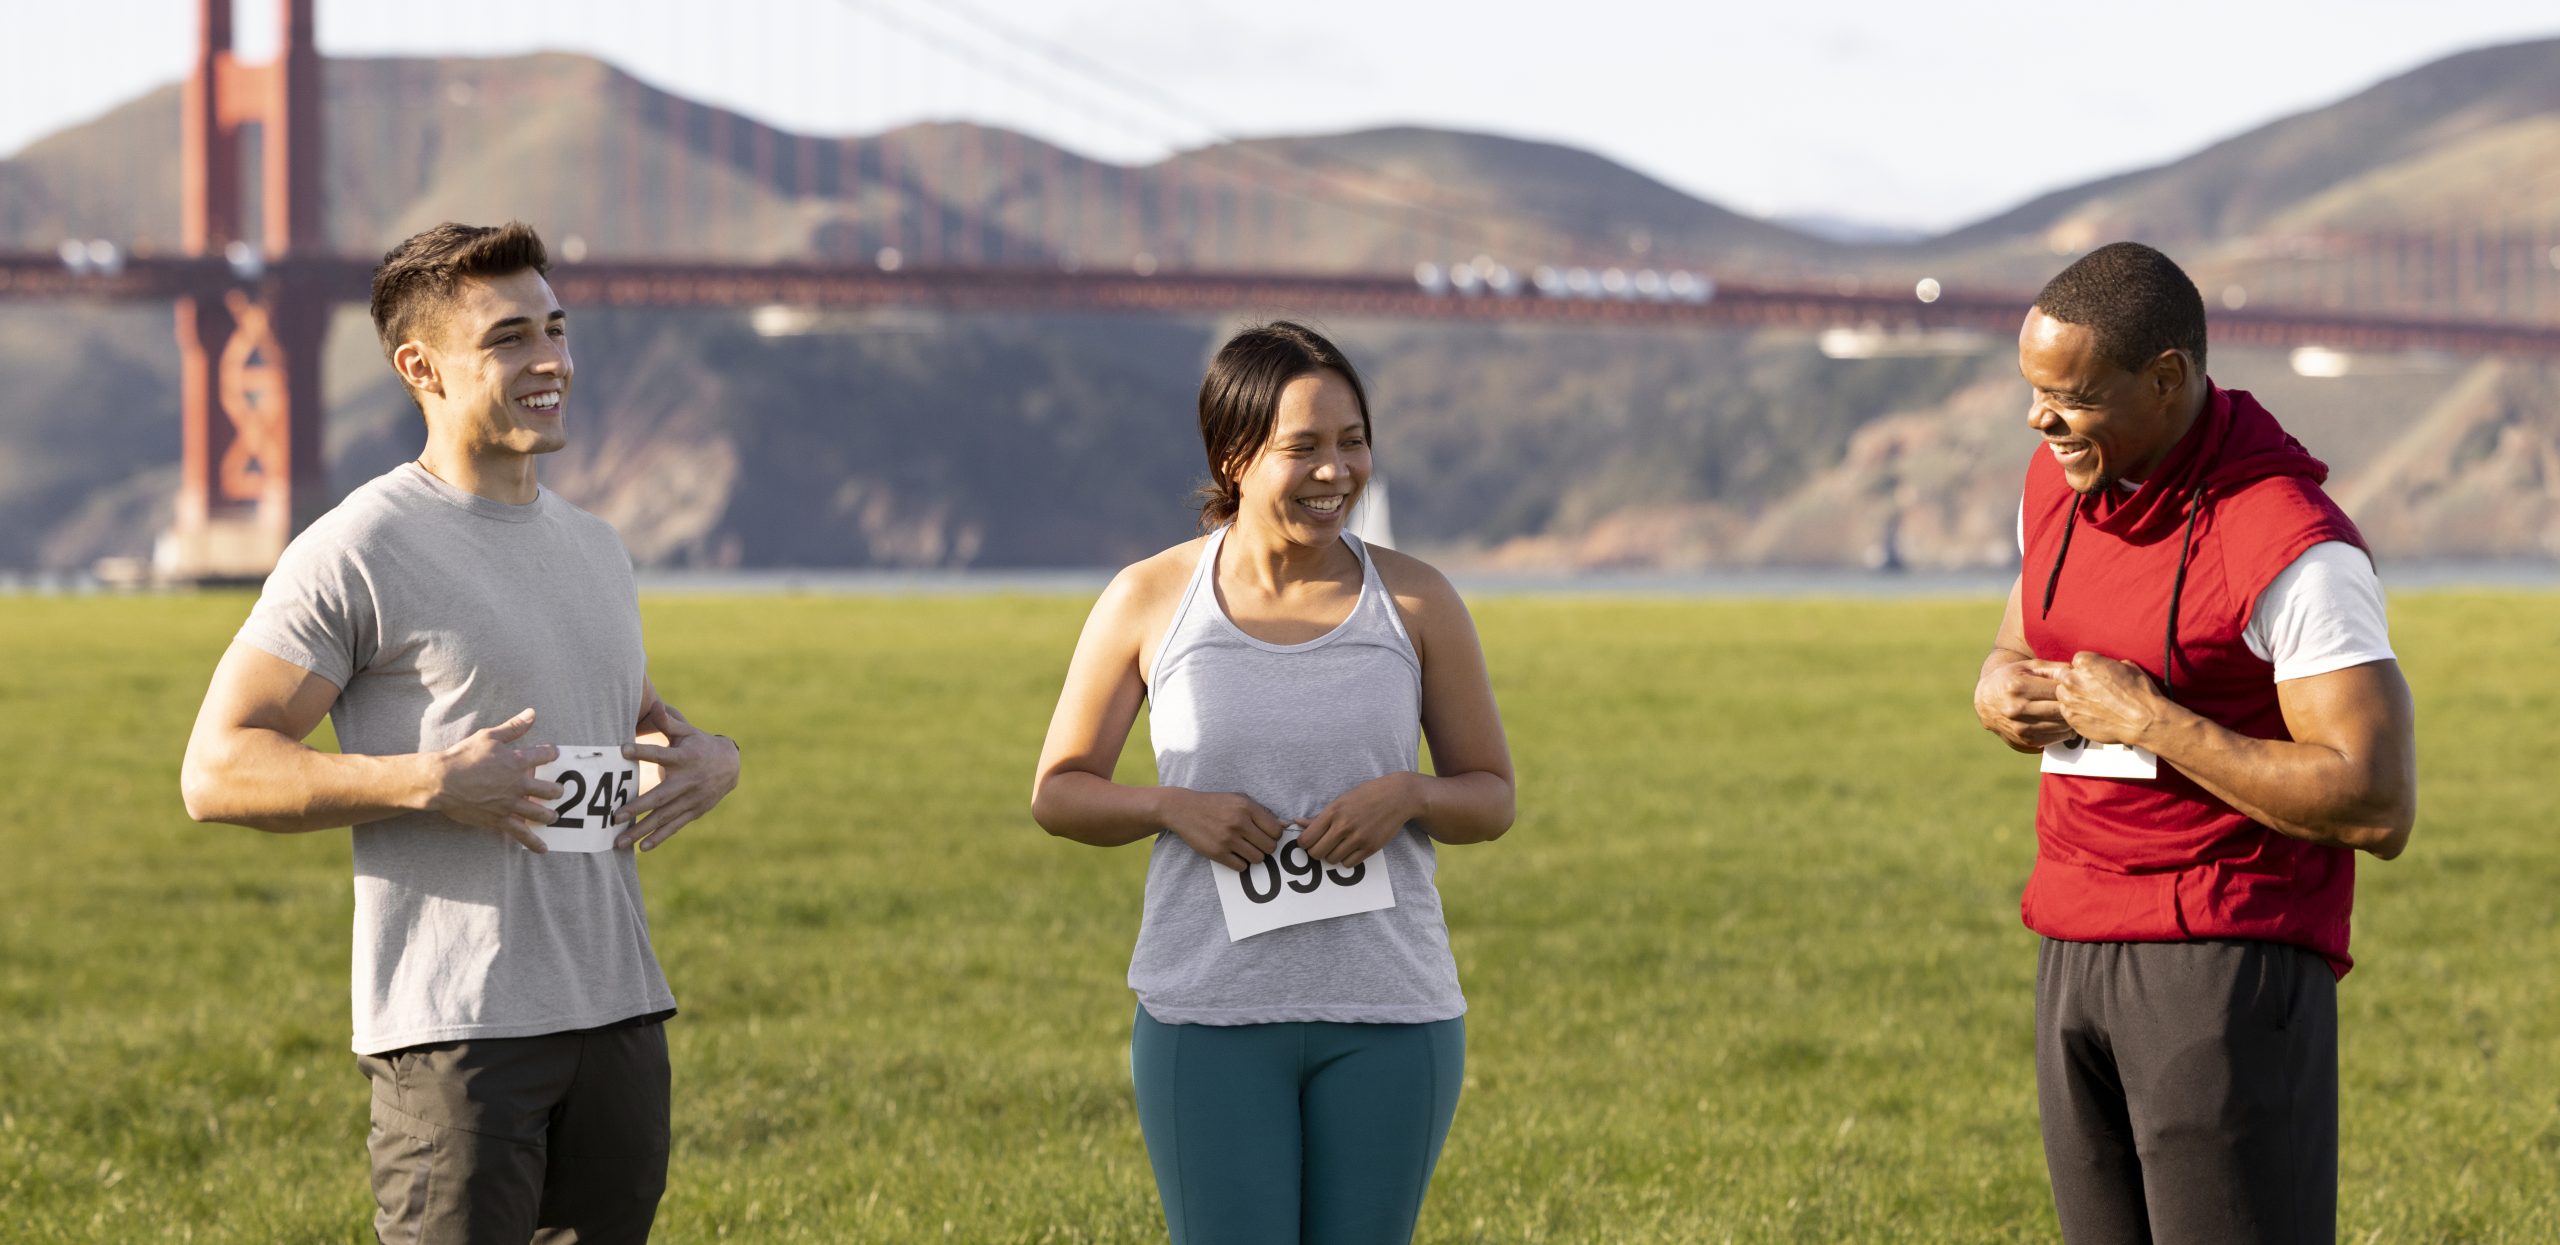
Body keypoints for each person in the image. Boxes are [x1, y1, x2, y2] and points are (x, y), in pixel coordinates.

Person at [179, 221, 741, 1244]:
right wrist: (430, 782)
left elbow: (642, 725)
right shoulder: (359, 546)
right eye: (511, 338)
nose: (551, 363)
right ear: (420, 367)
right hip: (458, 1041)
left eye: (557, 330)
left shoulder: (597, 547)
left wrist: (715, 762)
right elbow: (216, 769)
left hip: (620, 1018)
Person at [1971, 242, 2417, 1244]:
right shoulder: (2056, 485)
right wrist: (1996, 689)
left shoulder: (2292, 546)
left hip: (2220, 960)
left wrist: (2156, 726)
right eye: (2032, 393)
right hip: (2072, 939)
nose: (2040, 421)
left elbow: (2376, 800)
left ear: (2165, 379)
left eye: (2072, 398)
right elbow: (2014, 641)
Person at [1031, 321, 1515, 1244]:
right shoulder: (1148, 598)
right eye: (1305, 448)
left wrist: (1409, 794)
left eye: (1353, 441)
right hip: (1207, 1014)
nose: (1337, 471)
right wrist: (1170, 808)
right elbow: (1059, 789)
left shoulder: (1417, 602)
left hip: (1391, 1013)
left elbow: (1491, 795)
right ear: (1234, 454)